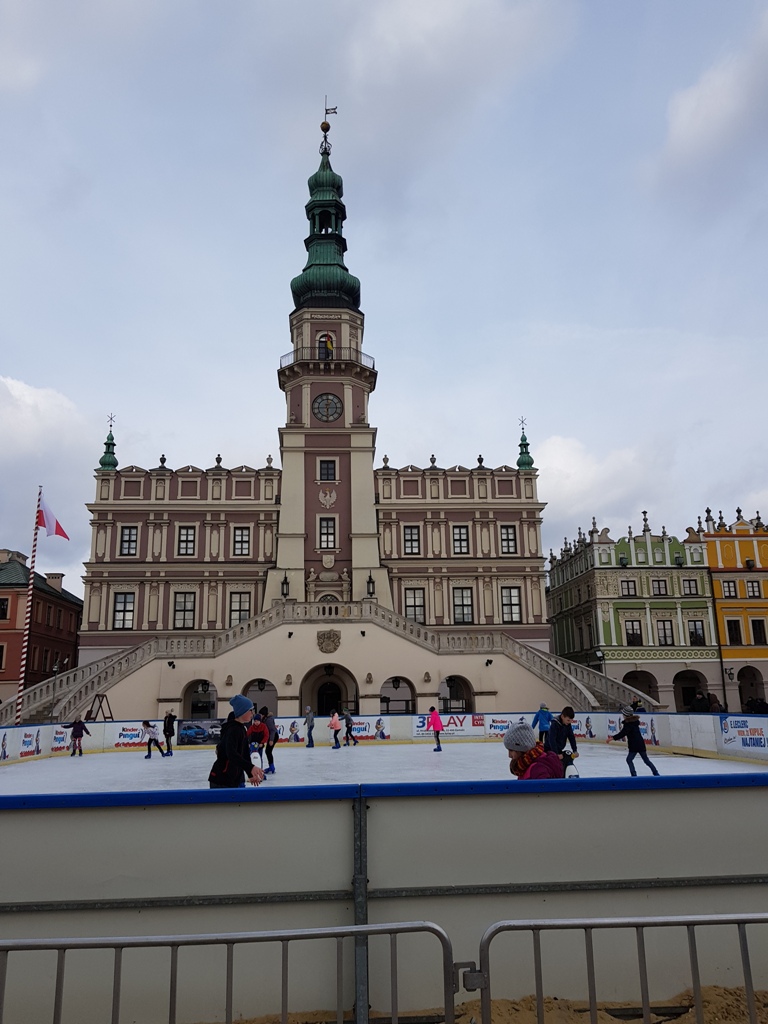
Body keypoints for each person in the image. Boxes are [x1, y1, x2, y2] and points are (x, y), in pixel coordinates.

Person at [208, 695, 265, 789]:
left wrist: (250, 774)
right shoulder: (232, 730)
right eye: (250, 710)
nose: (253, 713)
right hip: (221, 779)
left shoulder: (241, 729)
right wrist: (251, 767)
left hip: (232, 779)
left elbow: (245, 753)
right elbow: (231, 754)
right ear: (243, 711)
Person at [606, 706, 660, 777]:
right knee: (646, 760)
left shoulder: (628, 724)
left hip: (634, 745)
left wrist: (612, 738)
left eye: (623, 714)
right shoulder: (635, 722)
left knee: (629, 760)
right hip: (640, 744)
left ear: (626, 715)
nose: (622, 715)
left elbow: (622, 733)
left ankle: (634, 775)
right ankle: (656, 773)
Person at [544, 706, 580, 776]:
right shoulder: (555, 724)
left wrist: (575, 750)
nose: (569, 722)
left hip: (558, 750)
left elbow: (571, 737)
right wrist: (556, 754)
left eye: (571, 720)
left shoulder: (567, 724)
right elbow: (552, 740)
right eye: (568, 720)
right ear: (562, 716)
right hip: (549, 750)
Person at [260, 706, 278, 775]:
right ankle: (271, 767)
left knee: (268, 751)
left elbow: (272, 730)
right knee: (268, 751)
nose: (260, 716)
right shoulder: (264, 719)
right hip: (270, 736)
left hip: (273, 736)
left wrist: (271, 740)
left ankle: (272, 767)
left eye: (261, 714)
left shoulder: (268, 720)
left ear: (264, 715)